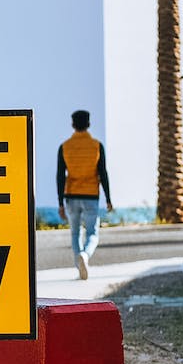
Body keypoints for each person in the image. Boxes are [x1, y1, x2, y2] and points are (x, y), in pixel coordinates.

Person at [57, 110, 114, 280]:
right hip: (91, 195)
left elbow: (60, 176)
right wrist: (108, 199)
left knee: (75, 233)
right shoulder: (96, 146)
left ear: (73, 125)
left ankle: (79, 264)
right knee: (92, 233)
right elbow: (103, 173)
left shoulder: (65, 146)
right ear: (88, 124)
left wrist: (60, 202)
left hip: (71, 195)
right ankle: (86, 256)